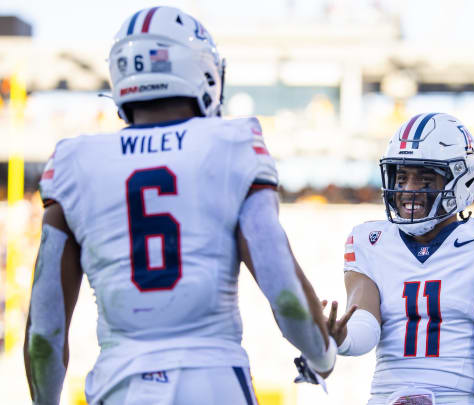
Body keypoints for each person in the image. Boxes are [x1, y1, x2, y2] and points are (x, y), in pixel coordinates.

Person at [23, 6, 335, 405]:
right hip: (214, 381)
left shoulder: (74, 162)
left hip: (120, 385)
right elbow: (284, 292)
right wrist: (321, 356)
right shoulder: (233, 144)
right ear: (204, 71)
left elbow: (43, 335)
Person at [323, 113, 474, 405]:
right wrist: (341, 336)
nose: (408, 190)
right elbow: (365, 324)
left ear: (461, 180)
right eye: (401, 176)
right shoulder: (369, 241)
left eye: (424, 179)